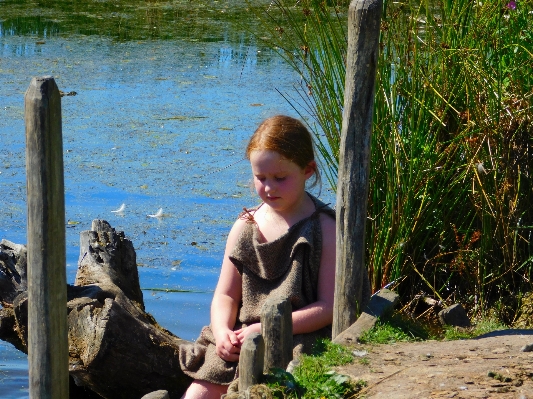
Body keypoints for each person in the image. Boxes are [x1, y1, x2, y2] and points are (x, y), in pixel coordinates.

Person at [179, 115, 337, 399]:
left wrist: (267, 328)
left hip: (299, 336)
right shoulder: (245, 226)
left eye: (280, 178)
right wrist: (222, 331)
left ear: (308, 171)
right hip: (242, 336)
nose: (269, 187)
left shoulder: (324, 227)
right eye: (260, 178)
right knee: (197, 394)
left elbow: (329, 307)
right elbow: (225, 296)